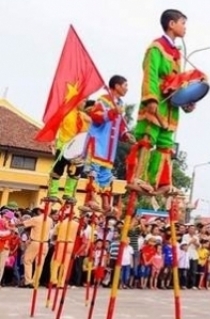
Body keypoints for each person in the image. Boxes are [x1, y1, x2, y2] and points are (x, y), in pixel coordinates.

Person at [127, 9, 196, 197]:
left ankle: (163, 182)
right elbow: (150, 73)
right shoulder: (156, 47)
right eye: (183, 23)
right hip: (157, 100)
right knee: (148, 138)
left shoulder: (177, 52)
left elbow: (177, 81)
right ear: (172, 24)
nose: (185, 28)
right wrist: (151, 98)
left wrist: (187, 100)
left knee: (166, 144)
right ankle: (139, 177)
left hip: (170, 106)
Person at [84, 75, 133, 213]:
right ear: (116, 86)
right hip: (98, 141)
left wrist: (125, 134)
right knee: (94, 171)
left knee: (106, 174)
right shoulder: (104, 99)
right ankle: (92, 198)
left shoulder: (120, 104)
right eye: (125, 85)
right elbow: (96, 117)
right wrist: (112, 112)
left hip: (110, 147)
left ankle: (105, 202)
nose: (127, 89)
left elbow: (121, 124)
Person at [46, 100, 92, 203]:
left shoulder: (83, 116)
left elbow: (93, 125)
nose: (84, 103)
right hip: (64, 146)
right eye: (83, 101)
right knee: (57, 170)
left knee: (76, 172)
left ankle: (68, 194)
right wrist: (52, 140)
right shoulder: (65, 113)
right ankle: (53, 193)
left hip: (78, 150)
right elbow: (55, 126)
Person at [21, 205, 54, 287]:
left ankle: (28, 281)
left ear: (40, 211)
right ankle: (35, 282)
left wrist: (13, 224)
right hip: (45, 243)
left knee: (28, 260)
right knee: (39, 264)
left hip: (36, 242)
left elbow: (24, 224)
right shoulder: (50, 220)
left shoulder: (36, 219)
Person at [49, 210, 79, 289]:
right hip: (70, 244)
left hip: (61, 243)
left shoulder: (60, 223)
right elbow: (79, 234)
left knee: (55, 263)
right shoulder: (76, 224)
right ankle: (61, 283)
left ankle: (53, 281)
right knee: (65, 264)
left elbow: (54, 236)